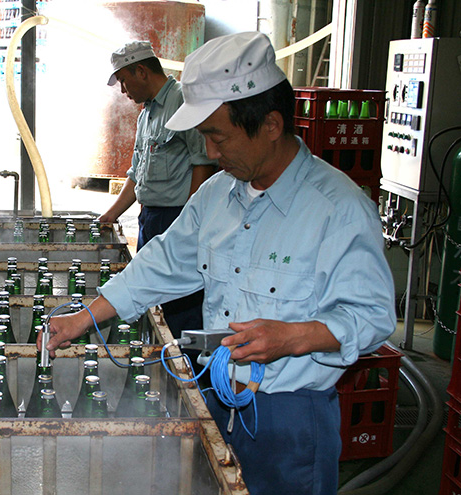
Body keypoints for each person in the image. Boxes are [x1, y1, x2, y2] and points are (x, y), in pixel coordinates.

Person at [43, 32, 396, 495]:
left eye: (217, 136)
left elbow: (371, 317)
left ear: (270, 124)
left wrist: (292, 337)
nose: (210, 153)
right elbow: (161, 264)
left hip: (291, 417)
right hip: (218, 396)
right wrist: (84, 317)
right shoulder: (216, 197)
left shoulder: (339, 210)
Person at [100, 40, 216, 336]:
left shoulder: (182, 103)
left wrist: (190, 222)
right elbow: (136, 175)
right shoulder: (146, 115)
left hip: (176, 217)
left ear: (141, 71)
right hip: (149, 219)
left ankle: (186, 370)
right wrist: (109, 216)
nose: (124, 92)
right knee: (154, 299)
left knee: (181, 305)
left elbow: (202, 163)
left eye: (125, 81)